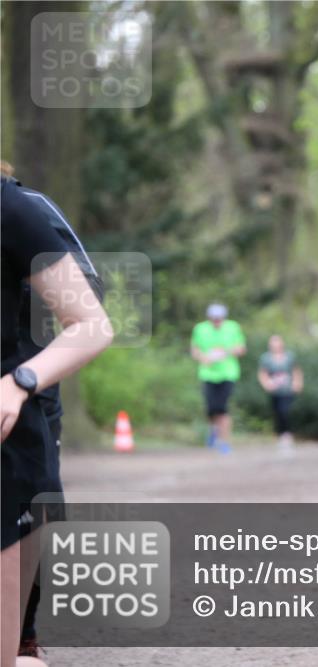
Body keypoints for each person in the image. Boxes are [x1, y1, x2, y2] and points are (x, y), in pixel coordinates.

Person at [1, 173, 113, 667]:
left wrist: (26, 374)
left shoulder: (26, 205)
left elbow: (87, 291)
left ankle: (22, 634)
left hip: (29, 376)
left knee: (35, 497)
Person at [190, 304, 246, 454]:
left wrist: (226, 352)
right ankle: (214, 430)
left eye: (219, 319)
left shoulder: (233, 327)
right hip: (207, 374)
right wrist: (204, 358)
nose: (217, 322)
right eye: (214, 319)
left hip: (228, 374)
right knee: (211, 408)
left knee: (222, 409)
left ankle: (224, 441)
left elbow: (241, 349)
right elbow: (194, 350)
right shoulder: (200, 329)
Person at [256, 334, 303, 449]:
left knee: (285, 410)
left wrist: (297, 383)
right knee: (277, 412)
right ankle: (280, 433)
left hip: (287, 390)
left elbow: (296, 370)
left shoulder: (289, 356)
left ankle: (287, 434)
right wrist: (266, 384)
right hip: (275, 391)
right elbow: (263, 373)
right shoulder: (266, 358)